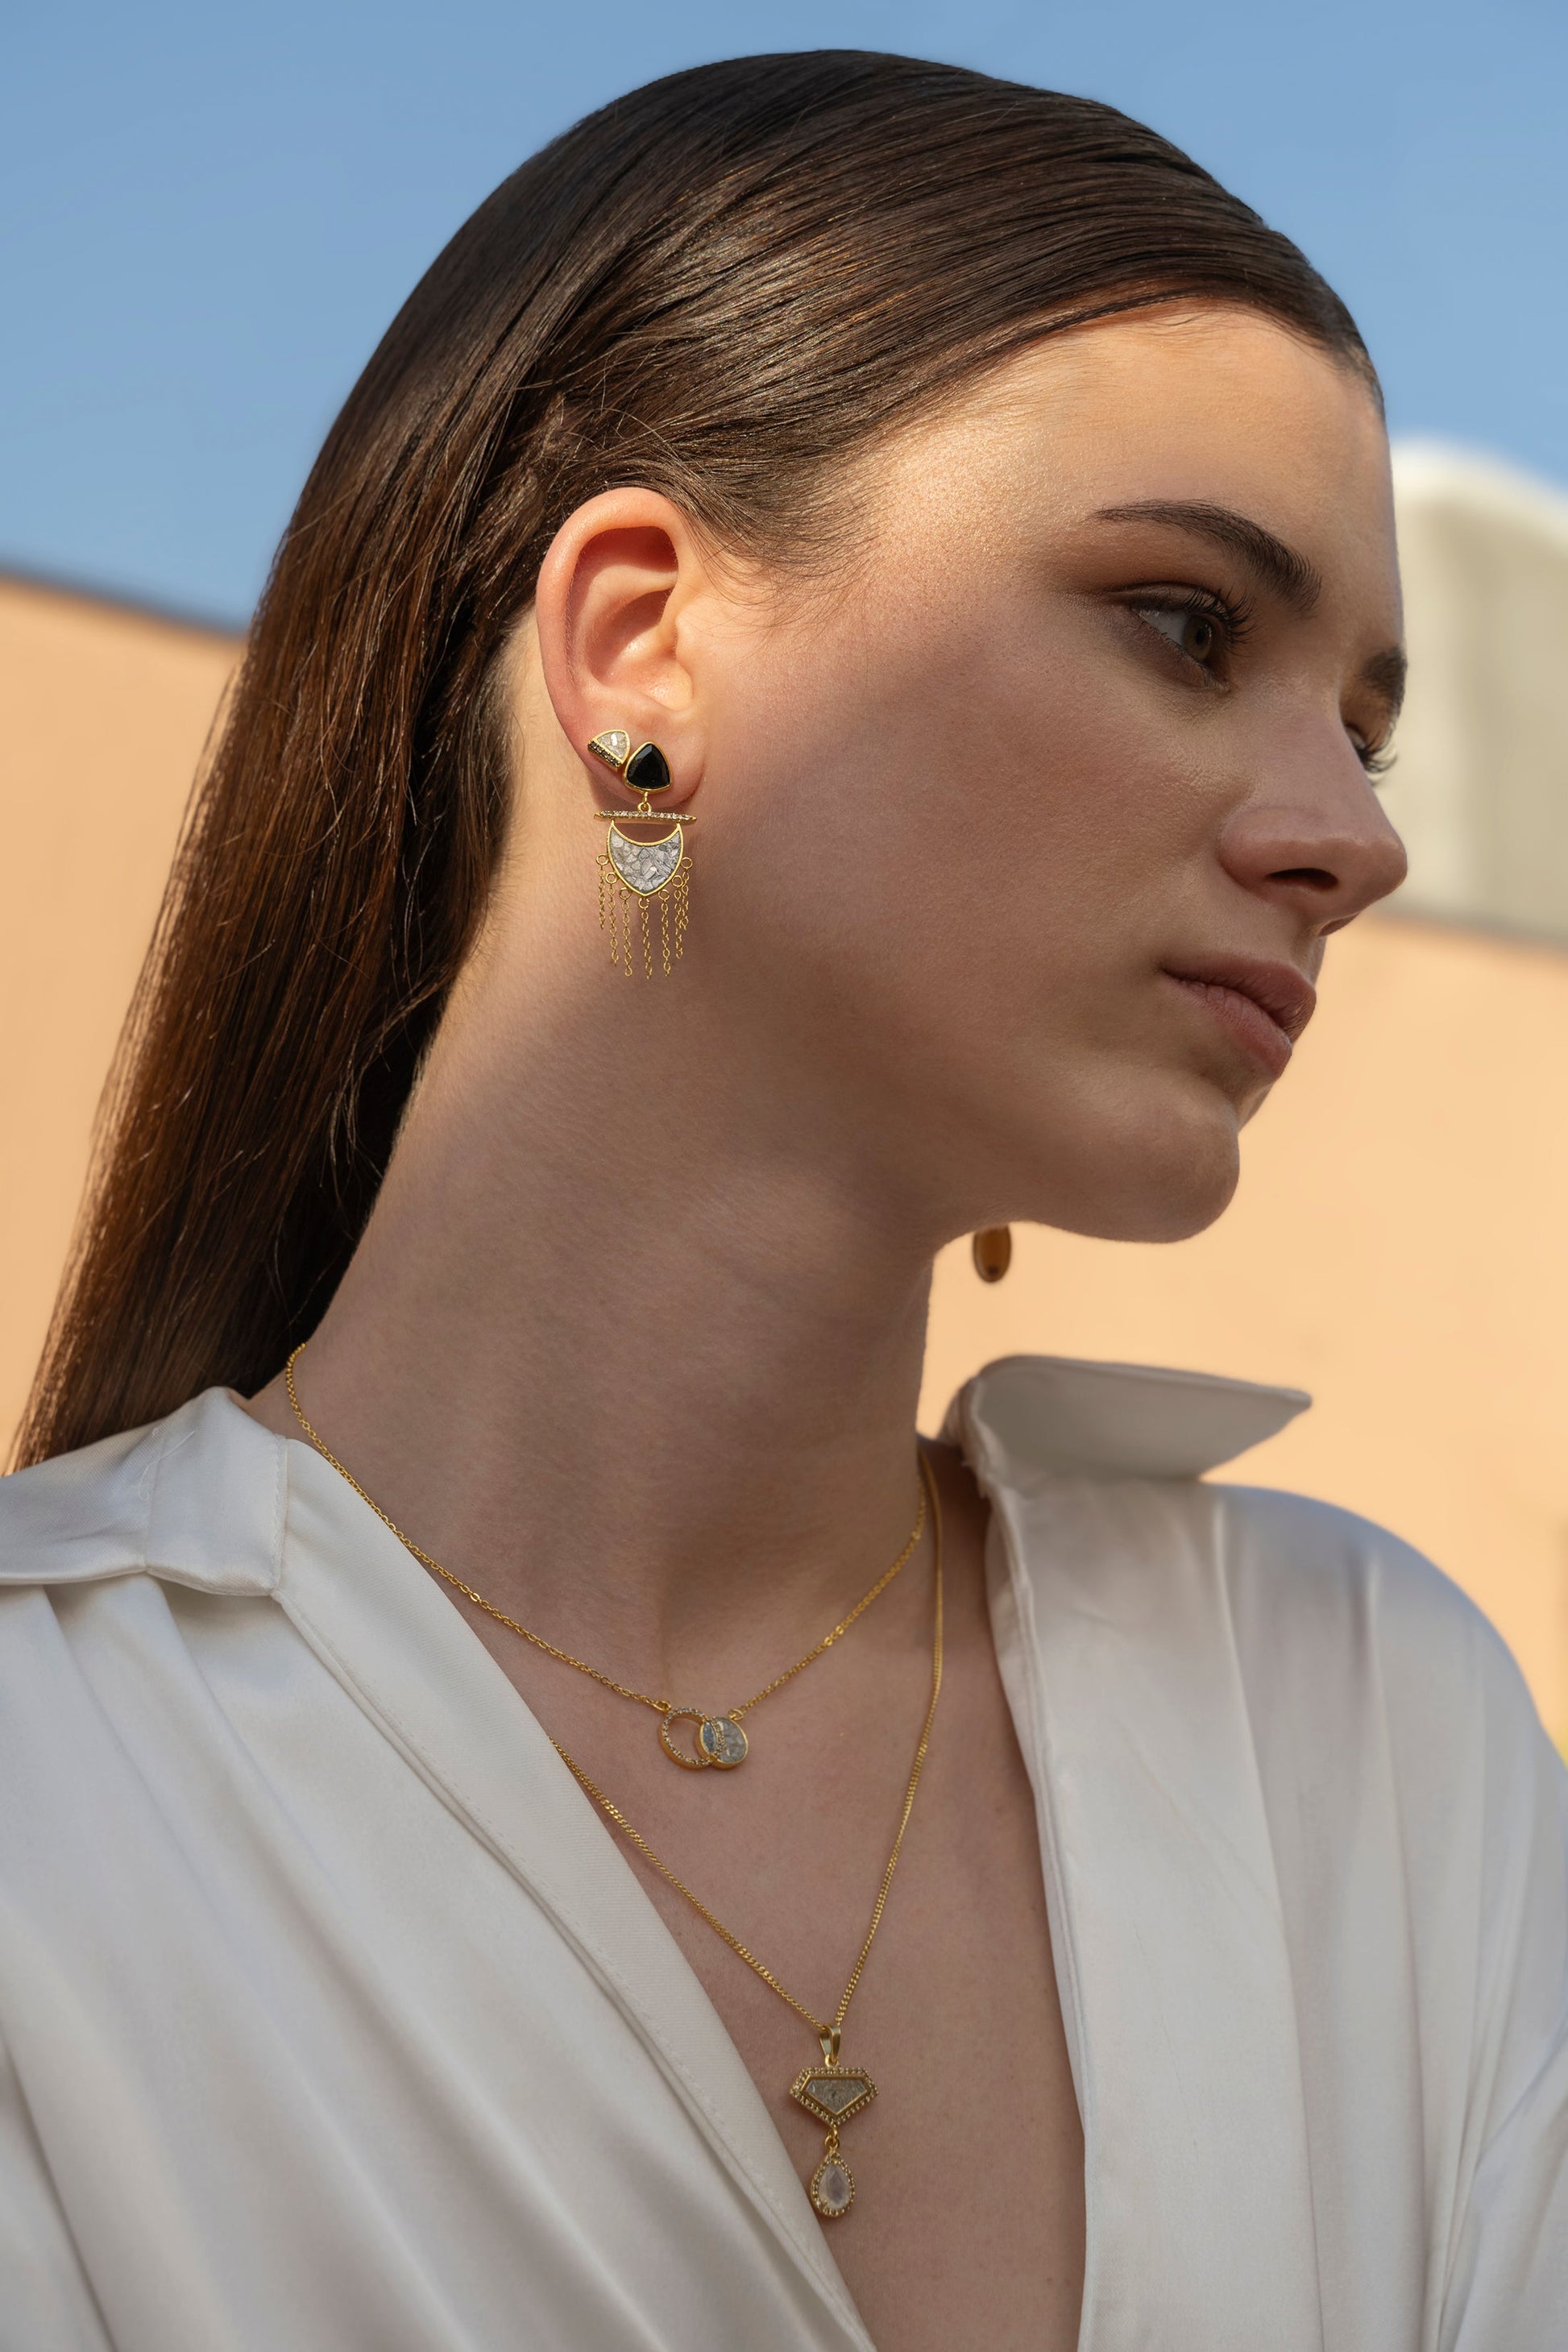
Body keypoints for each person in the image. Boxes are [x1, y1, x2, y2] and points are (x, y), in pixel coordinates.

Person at [2, 50, 1563, 2352]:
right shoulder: (51, 1787)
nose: (1357, 836)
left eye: (1367, 724)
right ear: (641, 649)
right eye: (1185, 624)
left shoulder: (1367, 1732)